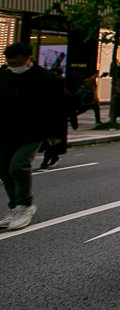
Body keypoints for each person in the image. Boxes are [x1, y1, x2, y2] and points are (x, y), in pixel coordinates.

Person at [0, 43, 65, 230]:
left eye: (18, 62)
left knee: (19, 166)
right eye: (10, 63)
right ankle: (14, 206)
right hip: (6, 132)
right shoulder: (3, 77)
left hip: (34, 131)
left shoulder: (47, 78)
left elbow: (58, 108)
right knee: (4, 170)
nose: (14, 66)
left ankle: (25, 205)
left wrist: (57, 134)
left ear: (30, 58)